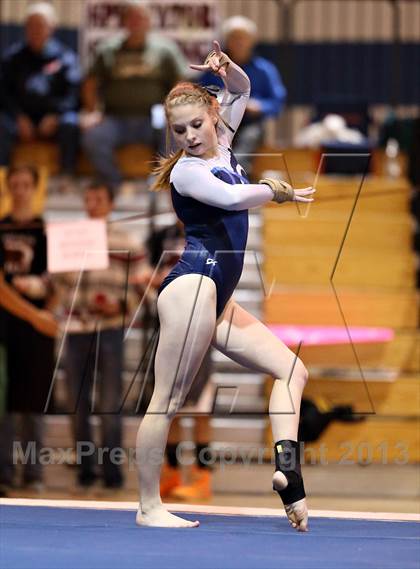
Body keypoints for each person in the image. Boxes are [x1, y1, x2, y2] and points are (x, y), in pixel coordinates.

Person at [135, 41, 315, 530]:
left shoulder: (225, 145)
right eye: (179, 131)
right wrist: (275, 190)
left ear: (214, 116)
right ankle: (148, 506)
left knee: (292, 371)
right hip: (192, 286)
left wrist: (227, 68)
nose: (190, 137)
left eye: (197, 124)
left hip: (217, 297)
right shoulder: (189, 174)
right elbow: (232, 199)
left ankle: (288, 474)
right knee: (168, 401)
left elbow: (243, 88)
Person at [54, 181, 144, 490]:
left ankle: (112, 472)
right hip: (77, 327)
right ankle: (85, 469)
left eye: (99, 199)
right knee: (77, 403)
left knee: (109, 402)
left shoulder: (127, 240)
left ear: (110, 204)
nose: (93, 204)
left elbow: (141, 285)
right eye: (89, 198)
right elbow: (57, 286)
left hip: (109, 329)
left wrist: (122, 305)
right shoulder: (69, 239)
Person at [135, 221, 214, 501]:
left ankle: (203, 476)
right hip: (166, 323)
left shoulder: (209, 230)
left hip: (198, 321)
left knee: (200, 406)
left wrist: (169, 279)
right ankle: (172, 473)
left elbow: (213, 273)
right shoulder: (161, 235)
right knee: (170, 402)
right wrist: (148, 279)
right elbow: (145, 271)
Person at [81, 1, 188, 191]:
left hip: (154, 115)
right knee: (93, 137)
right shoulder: (108, 49)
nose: (136, 22)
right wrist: (92, 112)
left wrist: (173, 109)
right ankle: (113, 181)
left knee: (175, 131)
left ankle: (160, 179)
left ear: (149, 22)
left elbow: (180, 83)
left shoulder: (165, 49)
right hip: (115, 117)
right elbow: (90, 84)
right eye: (131, 18)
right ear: (124, 22)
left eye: (141, 18)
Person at [0, 165, 57, 495]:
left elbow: (57, 279)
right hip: (6, 322)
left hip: (37, 321)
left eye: (26, 184)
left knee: (34, 401)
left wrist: (38, 292)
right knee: (6, 401)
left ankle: (34, 473)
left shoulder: (46, 230)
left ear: (35, 188)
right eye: (15, 184)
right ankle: (4, 472)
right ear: (9, 188)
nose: (20, 189)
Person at [0, 2, 81, 181]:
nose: (35, 30)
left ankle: (66, 178)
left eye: (40, 25)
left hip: (53, 118)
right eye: (31, 25)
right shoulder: (13, 58)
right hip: (20, 118)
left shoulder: (66, 57)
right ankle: (2, 177)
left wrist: (55, 115)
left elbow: (73, 95)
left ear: (51, 28)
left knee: (71, 124)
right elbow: (4, 93)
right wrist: (18, 116)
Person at [199, 16, 286, 175]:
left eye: (243, 38)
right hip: (219, 121)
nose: (239, 42)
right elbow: (201, 94)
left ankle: (234, 176)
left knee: (248, 141)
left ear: (252, 41)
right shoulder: (214, 67)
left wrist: (259, 106)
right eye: (234, 37)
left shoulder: (265, 69)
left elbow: (277, 101)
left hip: (250, 123)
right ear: (226, 40)